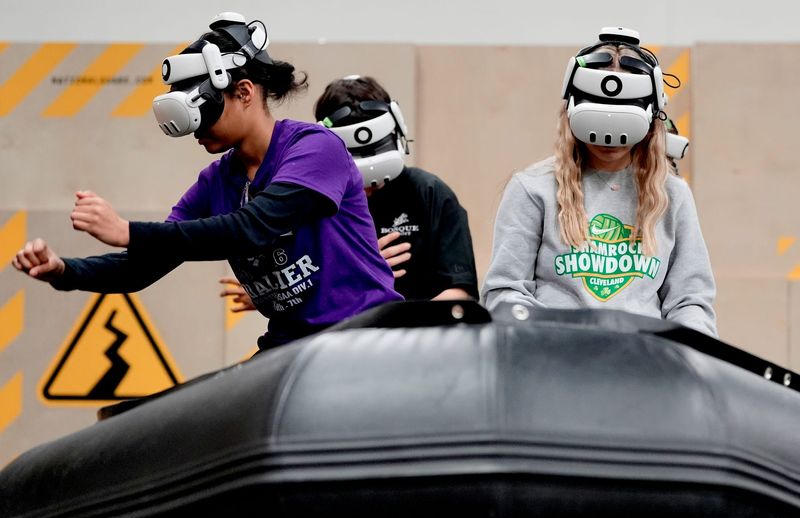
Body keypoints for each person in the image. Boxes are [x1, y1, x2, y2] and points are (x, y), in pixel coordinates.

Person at [12, 12, 402, 350]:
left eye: (205, 110)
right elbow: (143, 267)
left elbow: (253, 227)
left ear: (244, 92)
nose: (195, 130)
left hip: (364, 335)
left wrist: (129, 231)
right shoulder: (217, 181)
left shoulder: (315, 149)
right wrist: (65, 271)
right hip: (290, 346)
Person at [480, 27, 717, 337]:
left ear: (650, 119)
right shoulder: (533, 188)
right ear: (573, 111)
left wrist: (690, 352)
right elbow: (505, 292)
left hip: (644, 363)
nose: (609, 139)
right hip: (555, 359)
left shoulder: (672, 194)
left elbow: (690, 301)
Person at [221, 75, 478, 309]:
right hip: (342, 344)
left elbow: (460, 292)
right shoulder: (308, 199)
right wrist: (275, 292)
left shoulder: (430, 194)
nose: (366, 190)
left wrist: (407, 327)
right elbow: (302, 282)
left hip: (419, 346)